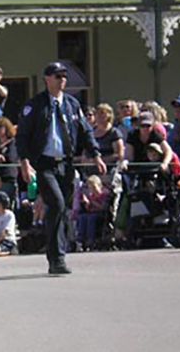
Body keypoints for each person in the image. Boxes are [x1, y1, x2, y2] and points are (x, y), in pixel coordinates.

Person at [16, 61, 105, 274]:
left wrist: (96, 154)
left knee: (64, 209)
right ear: (47, 79)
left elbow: (85, 131)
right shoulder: (35, 105)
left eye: (64, 76)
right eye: (57, 76)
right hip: (44, 164)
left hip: (66, 163)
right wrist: (25, 162)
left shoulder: (72, 104)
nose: (62, 80)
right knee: (55, 203)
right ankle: (56, 257)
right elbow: (23, 136)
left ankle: (59, 254)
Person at [78, 175, 109, 250]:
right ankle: (80, 239)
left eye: (94, 187)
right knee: (82, 217)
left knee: (90, 218)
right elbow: (88, 208)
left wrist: (92, 201)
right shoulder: (91, 195)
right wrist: (87, 203)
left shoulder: (104, 194)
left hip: (100, 213)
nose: (93, 190)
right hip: (91, 212)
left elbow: (103, 207)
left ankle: (90, 239)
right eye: (91, 188)